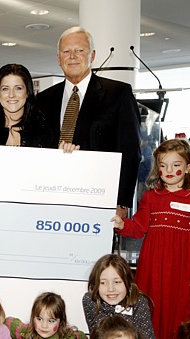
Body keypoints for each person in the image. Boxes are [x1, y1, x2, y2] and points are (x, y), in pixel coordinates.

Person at [112, 138, 190, 339]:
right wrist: (123, 225)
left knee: (179, 308)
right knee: (152, 304)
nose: (168, 170)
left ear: (187, 168)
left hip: (181, 269)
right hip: (153, 266)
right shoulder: (151, 197)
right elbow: (139, 227)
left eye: (176, 165)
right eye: (163, 165)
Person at [36, 26, 141, 217]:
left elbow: (130, 152)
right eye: (66, 51)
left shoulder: (118, 94)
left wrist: (122, 202)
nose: (73, 56)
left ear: (92, 56)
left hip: (98, 198)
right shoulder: (43, 100)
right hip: (51, 196)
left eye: (80, 50)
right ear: (58, 59)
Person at [82, 254, 164, 339]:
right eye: (103, 283)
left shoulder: (139, 303)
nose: (110, 289)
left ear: (127, 282)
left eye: (117, 282)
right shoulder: (90, 301)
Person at [0, 63, 58, 149]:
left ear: (27, 92)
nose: (11, 95)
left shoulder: (44, 132)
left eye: (18, 88)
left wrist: (65, 153)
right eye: (5, 89)